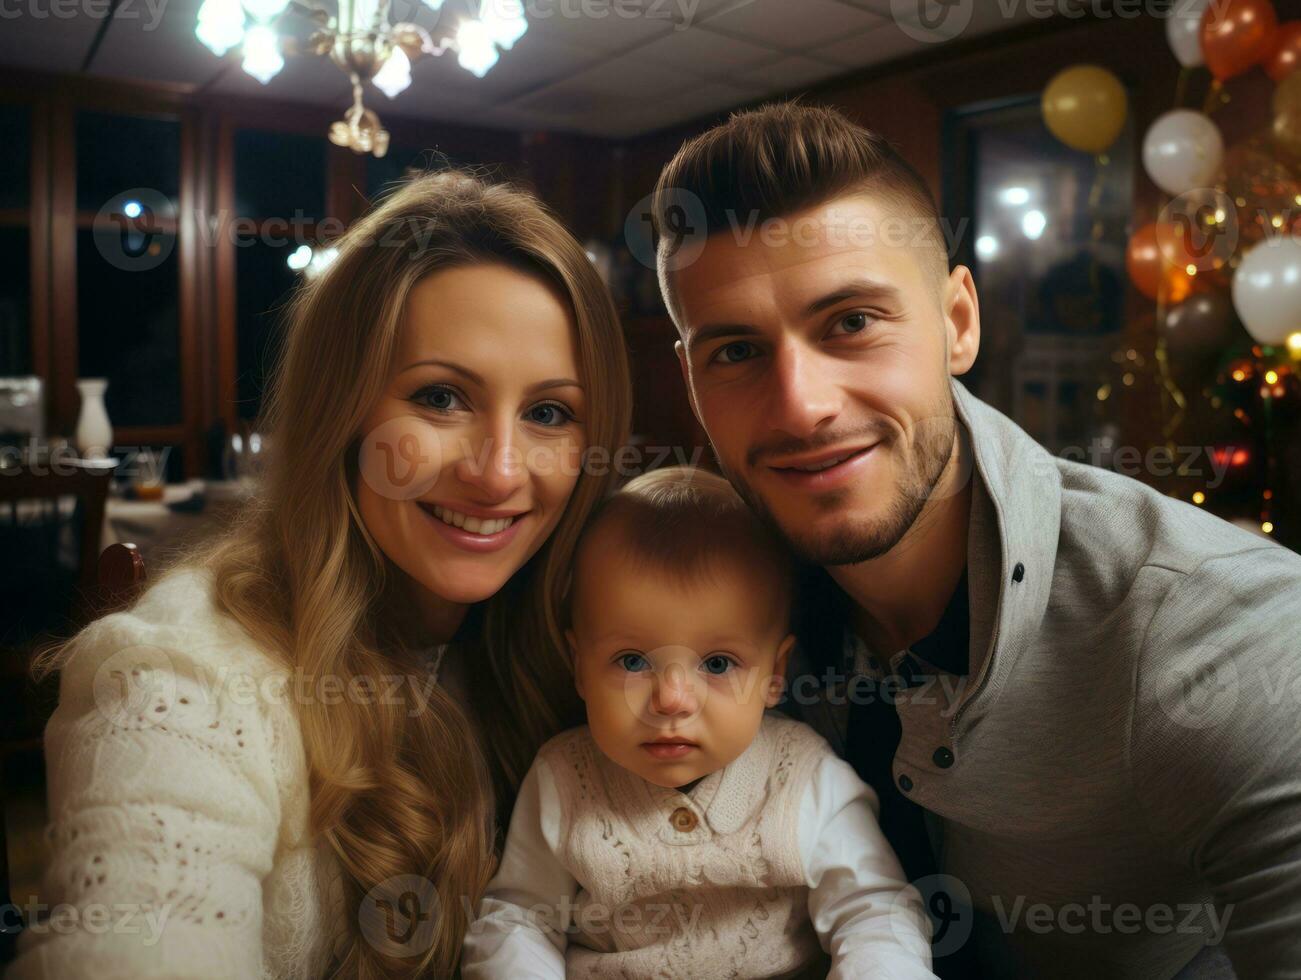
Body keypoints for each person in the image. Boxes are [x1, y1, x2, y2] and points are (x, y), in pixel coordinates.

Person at [649, 101, 1301, 979]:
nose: (801, 405)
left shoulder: (1211, 627)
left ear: (957, 323)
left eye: (850, 322)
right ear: (691, 381)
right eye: (734, 351)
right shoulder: (696, 596)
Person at [10, 170, 631, 979]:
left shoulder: (580, 644)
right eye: (441, 397)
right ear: (342, 412)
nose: (499, 472)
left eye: (548, 413)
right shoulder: (184, 676)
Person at [460, 466, 935, 979]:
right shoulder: (563, 778)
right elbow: (521, 919)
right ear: (580, 666)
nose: (671, 700)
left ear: (775, 675)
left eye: (717, 664)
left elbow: (872, 910)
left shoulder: (804, 777)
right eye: (632, 661)